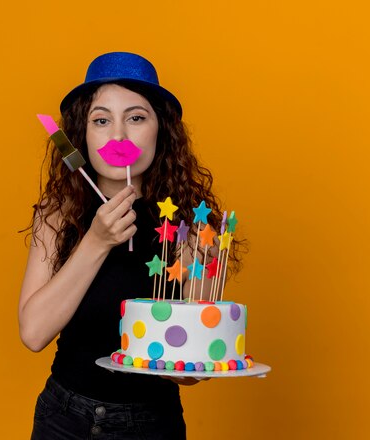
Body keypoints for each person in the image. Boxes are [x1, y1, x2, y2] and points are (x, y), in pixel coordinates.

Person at [19, 52, 243, 439]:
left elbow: (191, 378)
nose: (118, 136)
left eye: (136, 118)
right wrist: (97, 241)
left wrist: (199, 287)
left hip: (151, 423)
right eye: (101, 120)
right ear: (81, 135)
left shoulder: (189, 228)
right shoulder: (59, 214)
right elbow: (34, 333)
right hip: (64, 418)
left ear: (162, 131)